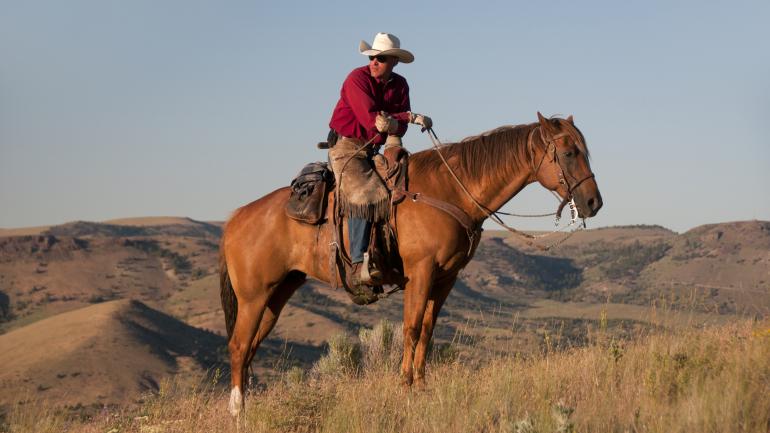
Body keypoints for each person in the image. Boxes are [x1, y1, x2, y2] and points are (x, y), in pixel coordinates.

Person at [327, 32, 432, 296]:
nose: (374, 61)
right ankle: (358, 266)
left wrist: (399, 127)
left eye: (381, 58)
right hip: (346, 147)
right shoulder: (357, 79)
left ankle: (388, 255)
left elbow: (396, 129)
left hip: (373, 148)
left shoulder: (401, 85)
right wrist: (408, 116)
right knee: (364, 195)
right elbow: (372, 119)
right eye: (372, 57)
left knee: (403, 188)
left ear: (394, 61)